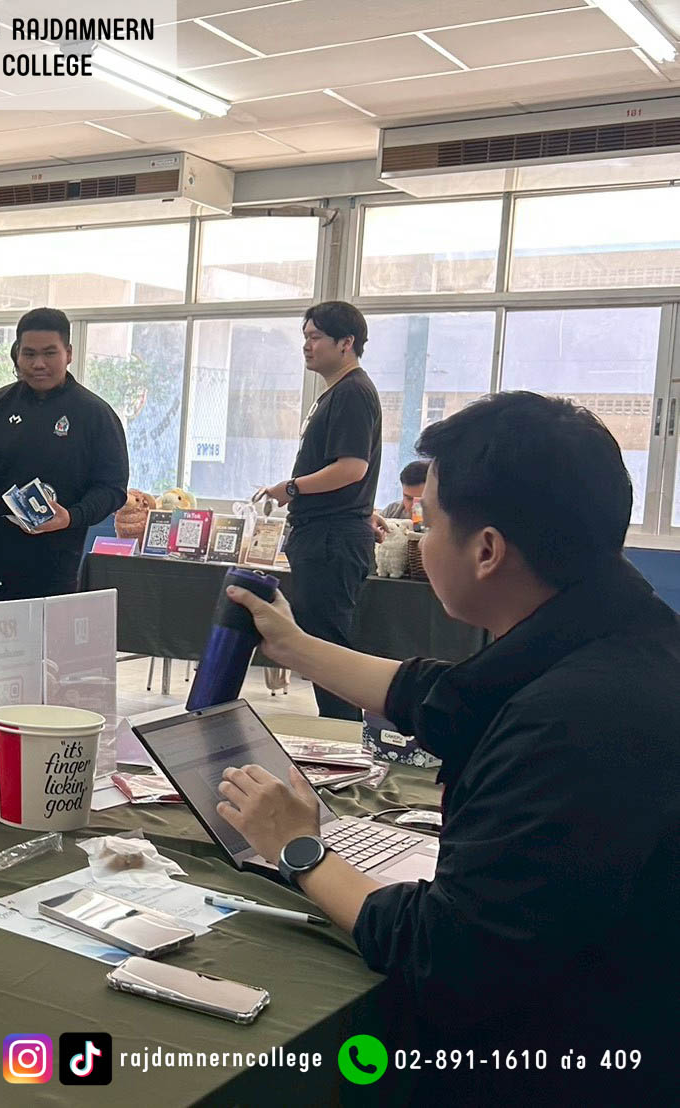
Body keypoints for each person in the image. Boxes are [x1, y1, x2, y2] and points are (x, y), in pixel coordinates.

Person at [217, 392, 680, 1099]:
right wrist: (295, 646)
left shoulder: (572, 721)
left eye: (427, 523)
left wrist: (300, 849)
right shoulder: (624, 633)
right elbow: (449, 697)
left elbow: (449, 952)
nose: (417, 536)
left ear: (487, 551)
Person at [0, 307, 129, 603]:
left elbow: (113, 489)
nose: (38, 364)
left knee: (45, 635)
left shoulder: (95, 414)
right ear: (17, 355)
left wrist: (71, 517)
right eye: (29, 354)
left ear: (68, 353)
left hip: (53, 571)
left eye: (49, 353)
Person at [260, 301, 381, 720]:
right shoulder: (338, 392)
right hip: (325, 534)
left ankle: (344, 739)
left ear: (346, 342)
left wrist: (291, 488)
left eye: (316, 337)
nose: (307, 346)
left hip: (331, 538)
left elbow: (352, 468)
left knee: (328, 651)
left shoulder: (352, 392)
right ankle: (341, 734)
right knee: (323, 646)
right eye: (305, 337)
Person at [373, 459, 429, 541]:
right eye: (409, 498)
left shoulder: (444, 521)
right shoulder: (392, 511)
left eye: (421, 501)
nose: (414, 506)